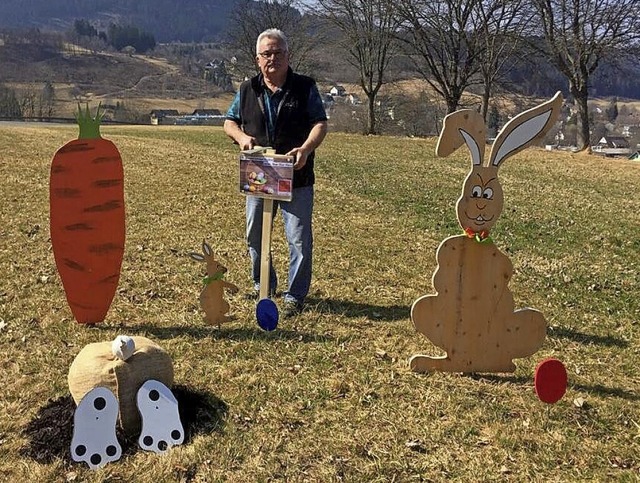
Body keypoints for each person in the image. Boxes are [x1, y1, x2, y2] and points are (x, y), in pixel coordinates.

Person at [224, 28, 328, 317]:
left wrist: (305, 149)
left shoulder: (305, 87)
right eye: (267, 53)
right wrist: (242, 138)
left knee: (298, 238)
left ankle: (295, 295)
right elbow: (229, 122)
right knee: (255, 235)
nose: (273, 58)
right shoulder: (247, 89)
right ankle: (264, 286)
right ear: (258, 59)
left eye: (278, 52)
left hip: (297, 176)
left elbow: (320, 123)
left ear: (287, 56)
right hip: (258, 174)